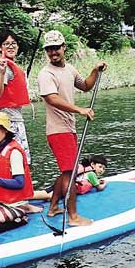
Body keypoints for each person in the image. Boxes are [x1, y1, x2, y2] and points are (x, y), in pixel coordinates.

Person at [37, 30, 105, 227]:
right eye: (49, 49)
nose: (53, 52)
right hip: (58, 131)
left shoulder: (70, 69)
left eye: (56, 48)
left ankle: (52, 208)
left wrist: (95, 71)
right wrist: (80, 110)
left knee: (67, 171)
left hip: (69, 129)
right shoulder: (46, 74)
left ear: (63, 47)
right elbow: (52, 98)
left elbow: (85, 86)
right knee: (71, 173)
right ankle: (73, 216)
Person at [0, 31, 32, 162]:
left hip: (11, 119)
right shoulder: (3, 67)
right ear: (0, 47)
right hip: (9, 121)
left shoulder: (10, 66)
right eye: (6, 44)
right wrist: (2, 72)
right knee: (19, 160)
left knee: (16, 160)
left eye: (13, 43)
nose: (11, 46)